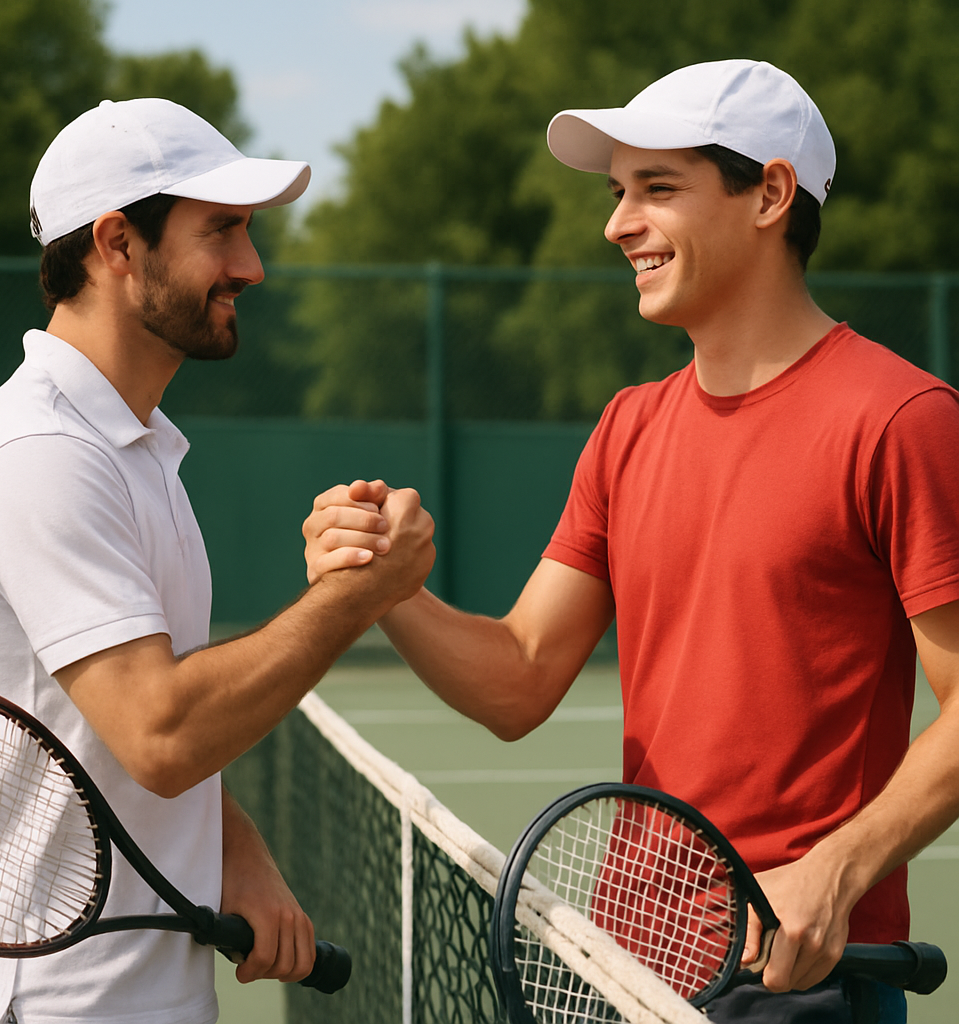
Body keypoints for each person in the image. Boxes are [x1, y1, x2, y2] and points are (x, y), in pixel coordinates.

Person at [302, 60, 959, 1023]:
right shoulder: (628, 428)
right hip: (624, 968)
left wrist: (837, 870)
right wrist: (387, 588)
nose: (618, 223)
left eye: (656, 188)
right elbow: (520, 678)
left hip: (794, 979)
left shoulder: (901, 419)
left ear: (771, 194)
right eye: (617, 193)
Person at [0, 97, 434, 1024]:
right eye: (221, 231)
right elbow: (159, 733)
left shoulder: (135, 447)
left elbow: (118, 735)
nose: (251, 265)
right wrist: (356, 597)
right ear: (118, 243)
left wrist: (233, 846)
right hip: (51, 1007)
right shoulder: (39, 454)